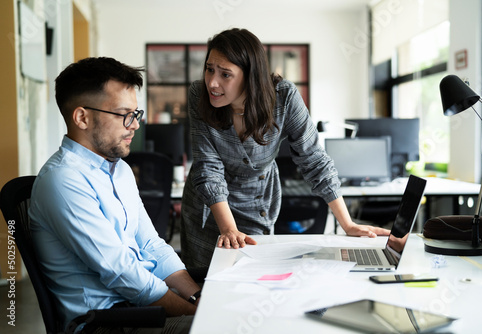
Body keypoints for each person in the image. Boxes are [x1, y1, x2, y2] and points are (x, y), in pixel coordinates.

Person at [180, 28, 390, 268]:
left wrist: (348, 224)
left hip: (255, 205)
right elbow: (208, 167)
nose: (212, 83)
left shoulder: (284, 98)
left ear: (250, 76)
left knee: (252, 283)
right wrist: (228, 229)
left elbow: (314, 160)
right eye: (209, 69)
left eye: (225, 74)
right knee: (204, 290)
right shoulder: (199, 95)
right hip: (208, 210)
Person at [29, 57, 200, 334]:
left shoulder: (118, 169)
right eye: (124, 115)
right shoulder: (62, 181)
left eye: (136, 114)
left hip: (139, 308)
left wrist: (196, 297)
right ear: (82, 117)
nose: (134, 125)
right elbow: (121, 272)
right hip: (108, 323)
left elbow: (152, 244)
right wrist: (198, 313)